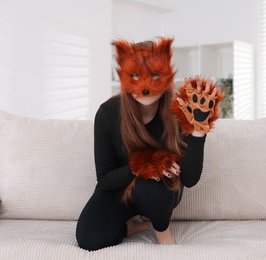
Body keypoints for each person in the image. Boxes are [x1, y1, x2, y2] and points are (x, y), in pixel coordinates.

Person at [76, 37, 223, 251]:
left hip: (159, 191)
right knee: (89, 238)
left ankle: (161, 231)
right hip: (119, 189)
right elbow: (105, 180)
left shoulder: (180, 112)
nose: (145, 87)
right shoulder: (108, 114)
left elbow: (189, 179)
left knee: (152, 184)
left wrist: (199, 133)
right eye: (136, 76)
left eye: (154, 75)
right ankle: (131, 227)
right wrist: (143, 164)